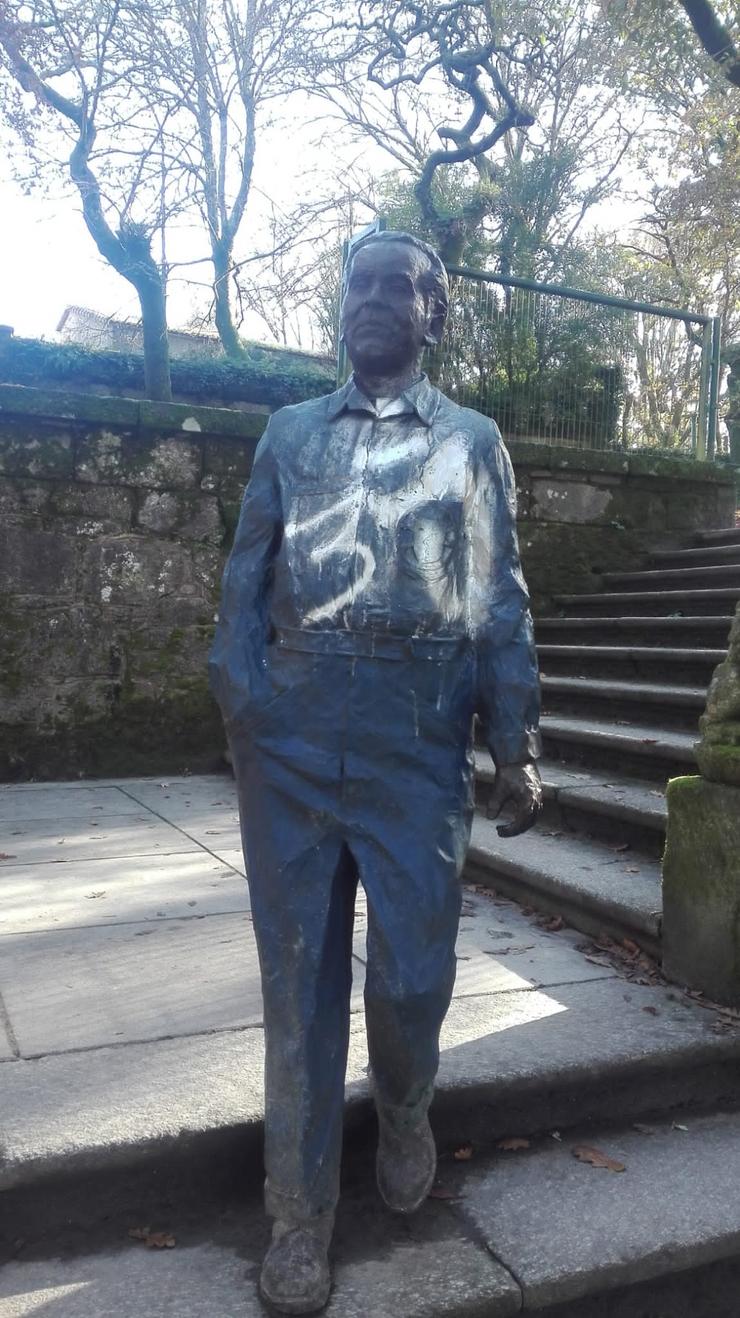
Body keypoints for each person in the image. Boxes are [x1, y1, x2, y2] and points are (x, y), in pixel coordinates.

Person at [209, 230, 542, 1315]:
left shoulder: (471, 442)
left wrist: (516, 742)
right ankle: (296, 1217)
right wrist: (248, 708)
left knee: (408, 982)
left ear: (432, 313)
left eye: (395, 286)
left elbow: (496, 596)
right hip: (293, 748)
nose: (372, 300)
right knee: (298, 989)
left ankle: (404, 1104)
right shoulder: (288, 434)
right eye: (357, 284)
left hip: (416, 744)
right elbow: (240, 586)